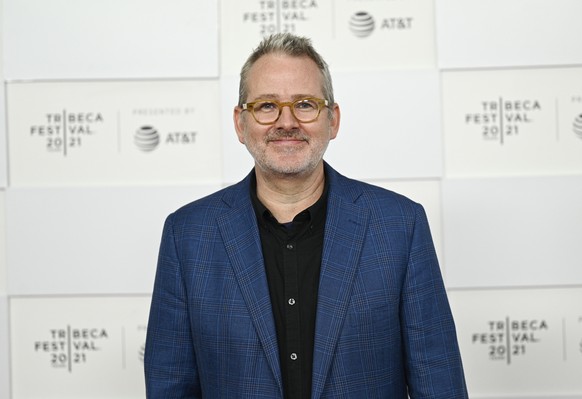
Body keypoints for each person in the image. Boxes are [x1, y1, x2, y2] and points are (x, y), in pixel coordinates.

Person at [144, 33, 468, 399]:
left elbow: (439, 384)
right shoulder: (188, 236)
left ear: (333, 120)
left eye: (305, 104)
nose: (287, 122)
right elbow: (170, 386)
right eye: (267, 106)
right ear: (240, 123)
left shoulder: (398, 226)